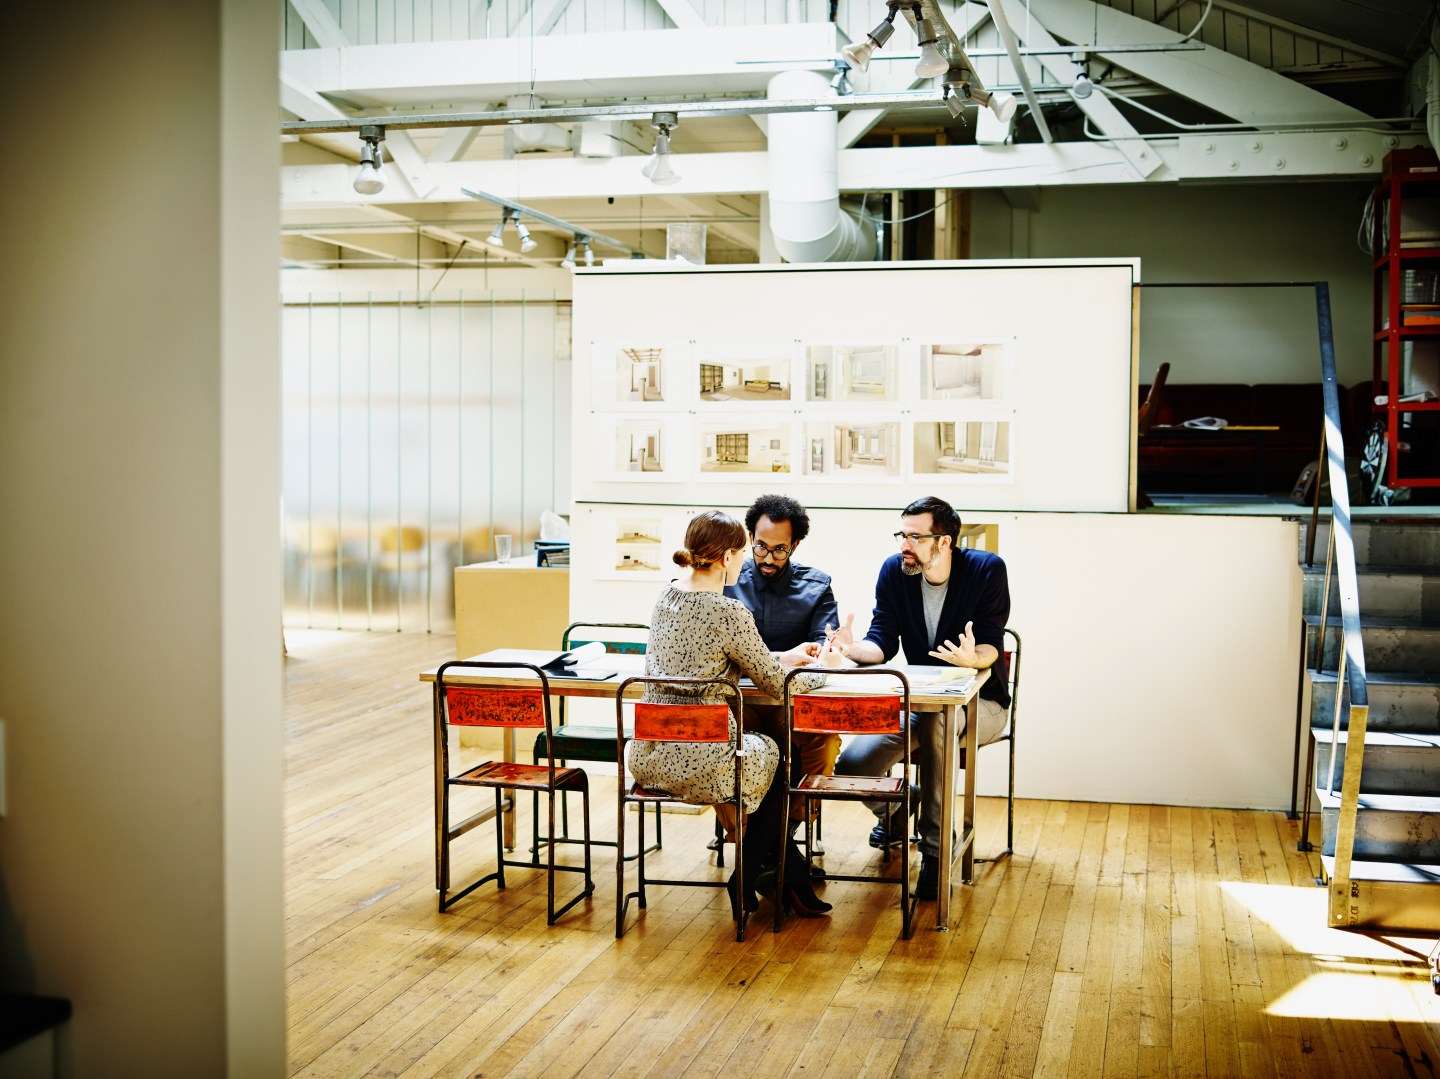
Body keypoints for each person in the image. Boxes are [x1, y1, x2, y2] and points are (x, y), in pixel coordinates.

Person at [627, 509, 835, 920]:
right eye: (743, 551)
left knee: (763, 757)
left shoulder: (667, 595)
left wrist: (784, 656)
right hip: (702, 759)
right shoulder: (728, 612)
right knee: (778, 756)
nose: (746, 560)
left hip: (650, 755)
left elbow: (711, 659)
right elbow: (778, 685)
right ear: (725, 558)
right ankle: (748, 874)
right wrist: (822, 670)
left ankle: (785, 876)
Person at [828, 495, 1011, 902]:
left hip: (983, 704)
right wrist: (852, 648)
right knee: (855, 765)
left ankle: (935, 851)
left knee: (941, 726)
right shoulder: (895, 572)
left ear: (943, 542)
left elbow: (992, 644)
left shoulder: (985, 570)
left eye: (914, 536)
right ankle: (896, 811)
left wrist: (973, 658)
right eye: (902, 534)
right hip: (923, 702)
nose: (903, 546)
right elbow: (882, 640)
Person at [723, 495, 844, 831]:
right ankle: (749, 838)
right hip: (739, 701)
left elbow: (825, 641)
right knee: (719, 739)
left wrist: (829, 651)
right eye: (761, 546)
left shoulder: (817, 585)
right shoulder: (726, 581)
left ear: (795, 545)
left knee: (825, 742)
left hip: (790, 701)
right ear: (750, 538)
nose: (769, 558)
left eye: (780, 549)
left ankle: (787, 833)